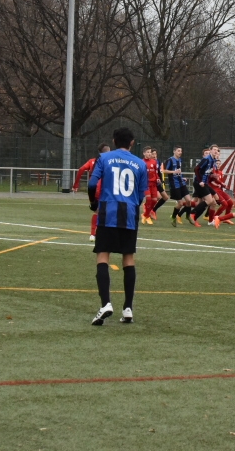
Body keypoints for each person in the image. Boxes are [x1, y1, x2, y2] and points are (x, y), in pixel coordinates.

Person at [87, 127, 147, 326]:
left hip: (109, 212)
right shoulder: (140, 163)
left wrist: (93, 203)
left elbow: (92, 184)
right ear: (132, 143)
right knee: (128, 258)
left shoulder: (104, 158)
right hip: (129, 214)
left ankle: (106, 304)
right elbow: (141, 195)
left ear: (113, 141)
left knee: (103, 255)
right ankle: (128, 308)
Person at [72, 143, 110, 242]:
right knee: (109, 211)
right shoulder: (110, 161)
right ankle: (103, 233)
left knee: (97, 211)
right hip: (106, 189)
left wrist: (76, 185)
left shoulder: (92, 161)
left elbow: (81, 169)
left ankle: (93, 234)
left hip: (94, 190)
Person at [190, 145, 222, 226]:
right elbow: (196, 169)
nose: (216, 151)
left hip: (205, 183)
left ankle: (196, 219)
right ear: (210, 150)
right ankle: (192, 213)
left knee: (213, 202)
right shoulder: (206, 159)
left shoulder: (213, 160)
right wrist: (200, 181)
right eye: (214, 149)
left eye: (217, 150)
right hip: (199, 183)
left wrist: (212, 174)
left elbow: (206, 171)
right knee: (209, 201)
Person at [164, 146, 194, 226]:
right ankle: (173, 217)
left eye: (181, 151)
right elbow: (164, 170)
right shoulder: (170, 160)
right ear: (174, 151)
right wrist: (173, 172)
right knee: (180, 203)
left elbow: (178, 172)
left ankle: (188, 216)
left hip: (181, 183)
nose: (180, 152)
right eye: (178, 151)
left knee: (189, 200)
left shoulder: (180, 160)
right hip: (174, 184)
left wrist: (182, 177)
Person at [140, 146, 160, 225]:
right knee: (148, 199)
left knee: (154, 200)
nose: (149, 154)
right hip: (146, 184)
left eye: (150, 152)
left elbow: (156, 172)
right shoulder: (141, 162)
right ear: (144, 153)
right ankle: (147, 216)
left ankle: (145, 215)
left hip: (153, 184)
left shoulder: (154, 162)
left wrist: (157, 178)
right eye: (147, 152)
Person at [150, 148, 169, 218]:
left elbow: (159, 171)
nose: (154, 155)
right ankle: (149, 210)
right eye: (153, 154)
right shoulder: (148, 162)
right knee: (157, 197)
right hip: (151, 183)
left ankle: (153, 210)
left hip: (157, 183)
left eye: (155, 154)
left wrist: (161, 180)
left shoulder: (157, 162)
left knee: (165, 197)